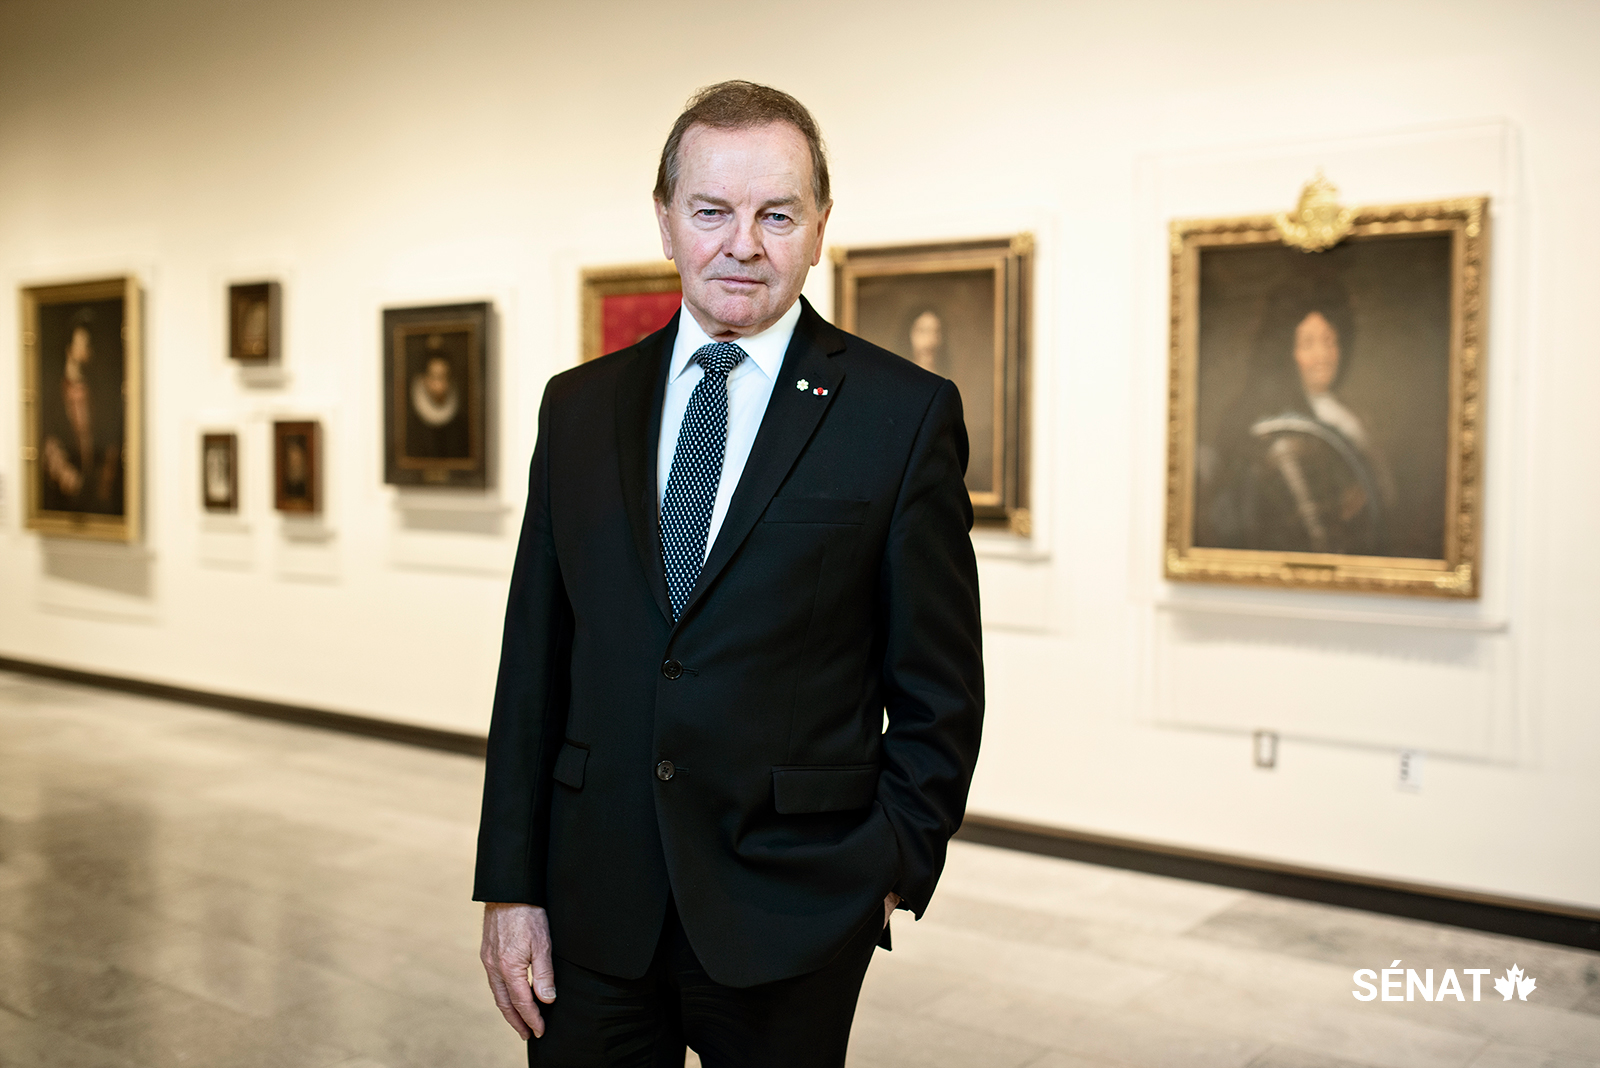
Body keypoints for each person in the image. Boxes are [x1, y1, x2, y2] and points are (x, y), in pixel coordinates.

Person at [474, 80, 984, 1068]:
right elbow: (533, 661)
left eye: (775, 214)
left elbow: (938, 683)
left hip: (791, 908)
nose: (741, 243)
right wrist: (511, 885)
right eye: (711, 211)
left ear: (820, 227)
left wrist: (886, 869)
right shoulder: (577, 409)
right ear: (664, 221)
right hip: (594, 903)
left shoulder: (900, 413)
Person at [1198, 277, 1394, 556]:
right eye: (1308, 344)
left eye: (1330, 341)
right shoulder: (1275, 428)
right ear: (1286, 352)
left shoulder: (1349, 413)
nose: (1323, 356)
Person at [407, 338, 470, 459]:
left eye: (445, 376)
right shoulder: (410, 426)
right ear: (424, 379)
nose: (441, 384)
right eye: (436, 377)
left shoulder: (460, 423)